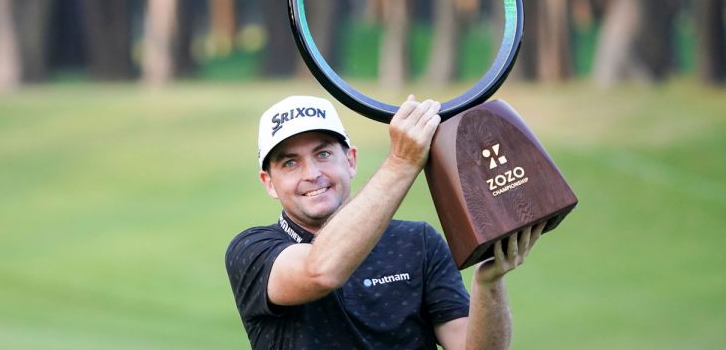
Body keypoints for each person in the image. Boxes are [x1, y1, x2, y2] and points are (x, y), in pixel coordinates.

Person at [226, 95, 545, 349]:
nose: (312, 174)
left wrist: (488, 283)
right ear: (269, 182)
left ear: (350, 160)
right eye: (290, 163)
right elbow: (320, 271)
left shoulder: (417, 242)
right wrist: (403, 161)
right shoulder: (252, 251)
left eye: (323, 154)